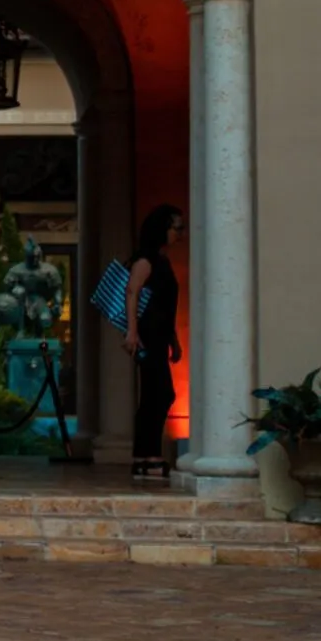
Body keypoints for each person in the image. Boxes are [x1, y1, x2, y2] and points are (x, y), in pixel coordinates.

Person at [122, 204, 185, 481]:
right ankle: (148, 455)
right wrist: (132, 332)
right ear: (162, 228)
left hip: (160, 335)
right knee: (157, 394)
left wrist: (173, 338)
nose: (179, 234)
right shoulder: (145, 260)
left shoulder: (162, 261)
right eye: (176, 228)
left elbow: (166, 304)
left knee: (156, 394)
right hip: (147, 336)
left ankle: (145, 456)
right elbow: (132, 292)